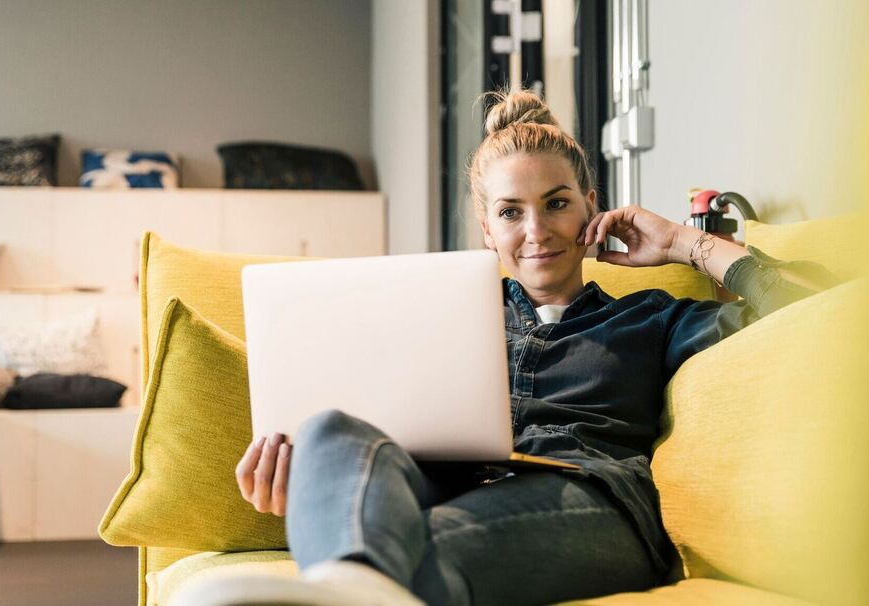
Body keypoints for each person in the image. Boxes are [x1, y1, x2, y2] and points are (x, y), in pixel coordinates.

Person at [220, 90, 821, 606]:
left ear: (592, 203)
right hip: (446, 486)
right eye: (511, 212)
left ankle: (348, 580)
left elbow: (815, 312)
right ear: (488, 228)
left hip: (591, 499)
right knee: (327, 429)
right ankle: (352, 579)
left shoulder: (652, 318)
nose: (537, 232)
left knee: (404, 558)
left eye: (557, 202)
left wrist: (684, 243)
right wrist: (313, 482)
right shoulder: (438, 312)